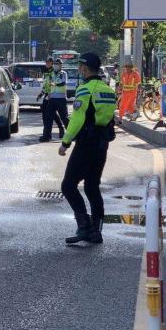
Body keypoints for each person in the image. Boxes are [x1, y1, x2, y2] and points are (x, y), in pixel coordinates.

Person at [59, 53, 117, 244]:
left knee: (68, 186)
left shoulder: (85, 89)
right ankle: (96, 231)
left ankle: (84, 226)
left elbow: (78, 118)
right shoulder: (108, 90)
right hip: (102, 144)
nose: (79, 69)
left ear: (84, 68)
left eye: (79, 66)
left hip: (86, 143)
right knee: (92, 187)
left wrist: (65, 142)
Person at [40, 59, 69, 141]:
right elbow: (48, 85)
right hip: (52, 99)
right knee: (48, 118)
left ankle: (72, 134)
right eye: (56, 64)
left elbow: (62, 83)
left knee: (64, 118)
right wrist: (44, 93)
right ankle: (46, 136)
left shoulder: (63, 73)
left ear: (61, 65)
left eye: (58, 64)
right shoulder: (51, 74)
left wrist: (53, 84)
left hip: (61, 99)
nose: (57, 65)